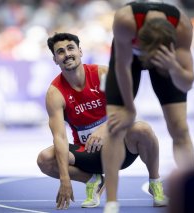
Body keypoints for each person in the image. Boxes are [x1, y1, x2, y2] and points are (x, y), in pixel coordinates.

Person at [37, 32, 167, 210]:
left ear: (80, 51)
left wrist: (104, 129)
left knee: (143, 129)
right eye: (60, 51)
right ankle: (93, 180)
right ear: (55, 59)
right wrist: (65, 178)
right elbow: (59, 137)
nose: (67, 54)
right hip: (88, 153)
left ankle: (155, 183)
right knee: (45, 159)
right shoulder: (55, 93)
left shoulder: (102, 75)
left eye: (70, 48)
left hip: (119, 147)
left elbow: (127, 110)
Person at [102, 1, 194, 212]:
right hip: (127, 61)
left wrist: (173, 67)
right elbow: (122, 65)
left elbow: (187, 83)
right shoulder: (125, 20)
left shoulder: (182, 27)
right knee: (115, 126)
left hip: (168, 61)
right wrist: (128, 107)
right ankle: (111, 202)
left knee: (180, 129)